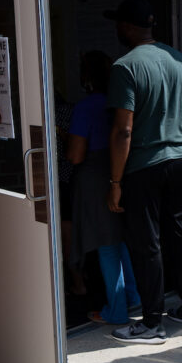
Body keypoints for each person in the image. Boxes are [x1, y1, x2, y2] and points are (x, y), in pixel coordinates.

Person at [105, 0, 182, 343]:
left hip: (143, 166)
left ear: (128, 26)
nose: (117, 28)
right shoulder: (179, 60)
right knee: (177, 233)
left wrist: (115, 181)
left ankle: (151, 322)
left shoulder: (125, 66)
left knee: (146, 243)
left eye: (119, 22)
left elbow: (123, 130)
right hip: (178, 160)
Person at [66, 50, 142, 325]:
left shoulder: (86, 107)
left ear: (86, 77)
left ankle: (116, 310)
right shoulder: (119, 102)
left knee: (106, 245)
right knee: (120, 240)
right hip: (123, 170)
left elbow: (75, 155)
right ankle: (132, 296)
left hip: (96, 176)